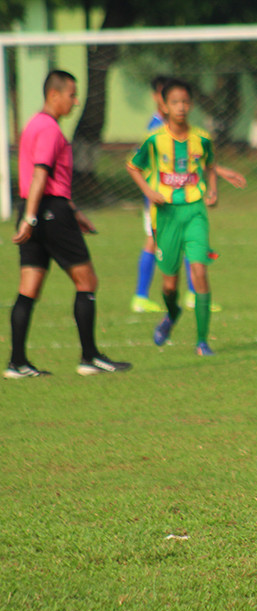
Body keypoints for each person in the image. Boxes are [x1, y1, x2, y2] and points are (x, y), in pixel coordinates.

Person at [5, 70, 132, 379]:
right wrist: (34, 217)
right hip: (47, 211)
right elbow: (41, 174)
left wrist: (67, 211)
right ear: (54, 95)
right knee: (87, 281)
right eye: (71, 95)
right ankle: (89, 357)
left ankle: (17, 363)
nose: (75, 102)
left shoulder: (32, 125)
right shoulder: (49, 129)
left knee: (28, 288)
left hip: (38, 207)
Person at [130, 74, 245, 314]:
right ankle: (142, 296)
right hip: (162, 199)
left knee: (183, 239)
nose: (178, 104)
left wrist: (219, 172)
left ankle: (189, 292)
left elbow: (189, 160)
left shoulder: (183, 130)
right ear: (158, 99)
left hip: (178, 197)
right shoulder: (157, 128)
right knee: (157, 241)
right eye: (170, 98)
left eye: (182, 99)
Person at [126, 78, 220, 357]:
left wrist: (212, 190)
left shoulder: (202, 137)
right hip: (165, 215)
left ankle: (202, 341)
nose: (181, 107)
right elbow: (133, 167)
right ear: (164, 106)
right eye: (175, 102)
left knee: (200, 270)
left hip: (194, 212)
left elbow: (211, 164)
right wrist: (149, 191)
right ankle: (172, 312)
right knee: (169, 285)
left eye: (185, 102)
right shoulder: (154, 139)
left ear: (190, 105)